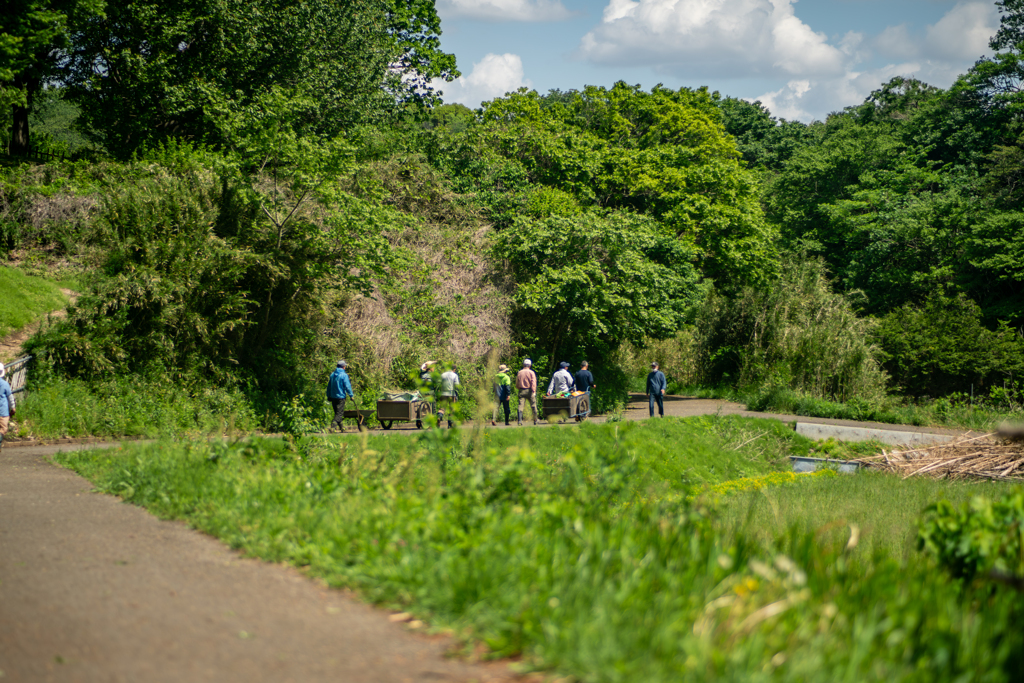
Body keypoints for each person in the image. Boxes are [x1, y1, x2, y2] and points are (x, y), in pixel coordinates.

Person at [326, 360, 354, 432]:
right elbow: (347, 386)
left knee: (337, 413)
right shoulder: (344, 375)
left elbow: (329, 386)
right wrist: (351, 395)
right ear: (343, 367)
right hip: (341, 397)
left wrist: (328, 395)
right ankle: (333, 426)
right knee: (339, 413)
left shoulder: (332, 375)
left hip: (333, 396)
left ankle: (342, 428)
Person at [515, 359, 538, 426]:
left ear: (523, 365)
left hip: (522, 390)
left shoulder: (520, 372)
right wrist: (534, 391)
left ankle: (519, 421)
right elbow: (533, 382)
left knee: (520, 405)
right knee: (533, 405)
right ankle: (535, 420)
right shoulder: (532, 372)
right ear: (530, 365)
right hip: (530, 391)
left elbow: (517, 382)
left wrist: (518, 387)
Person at [1, 362, 17, 450]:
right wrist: (13, 408)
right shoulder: (5, 384)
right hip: (3, 412)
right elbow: (10, 397)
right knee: (3, 430)